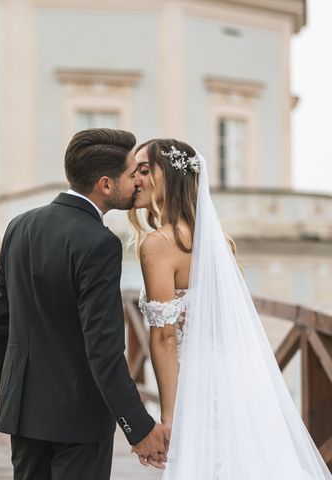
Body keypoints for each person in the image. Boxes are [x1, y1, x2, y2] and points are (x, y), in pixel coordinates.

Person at [131, 138, 332, 479]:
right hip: (235, 379)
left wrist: (169, 417)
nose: (136, 179)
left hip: (193, 384)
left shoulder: (159, 244)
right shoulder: (216, 239)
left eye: (145, 170)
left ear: (173, 176)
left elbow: (165, 337)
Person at [0, 129, 170, 480]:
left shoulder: (19, 226)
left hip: (23, 410)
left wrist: (12, 388)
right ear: (105, 184)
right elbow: (103, 348)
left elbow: (0, 323)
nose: (137, 182)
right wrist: (139, 426)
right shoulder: (99, 242)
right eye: (132, 175)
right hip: (78, 417)